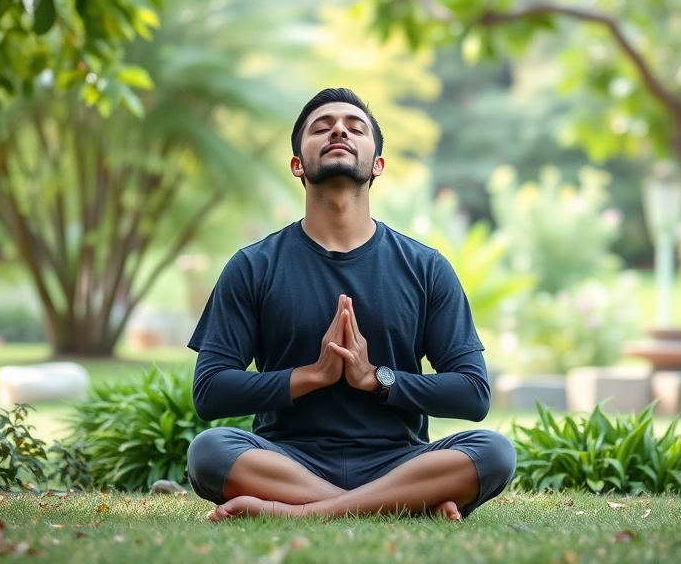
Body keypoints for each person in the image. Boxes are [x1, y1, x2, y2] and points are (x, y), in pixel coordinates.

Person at [185, 88, 515, 521]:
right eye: (321, 127)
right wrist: (312, 376)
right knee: (209, 451)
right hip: (286, 461)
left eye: (354, 127)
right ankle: (396, 506)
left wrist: (378, 380)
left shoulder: (426, 267)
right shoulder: (254, 266)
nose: (338, 129)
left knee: (494, 452)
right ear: (297, 164)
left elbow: (474, 394)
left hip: (398, 462)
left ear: (377, 163)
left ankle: (306, 512)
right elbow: (209, 392)